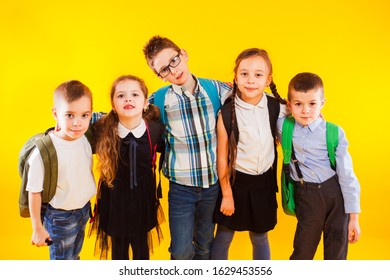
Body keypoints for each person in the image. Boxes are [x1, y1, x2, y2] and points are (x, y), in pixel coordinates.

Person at [143, 35, 232, 260]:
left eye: (174, 61)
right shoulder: (159, 100)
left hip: (212, 186)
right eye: (164, 70)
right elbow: (126, 113)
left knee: (205, 246)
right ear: (160, 76)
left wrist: (292, 111)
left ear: (183, 54)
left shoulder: (216, 90)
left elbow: (254, 101)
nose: (173, 70)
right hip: (181, 188)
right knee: (182, 251)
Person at [211, 48, 286, 260]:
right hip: (235, 182)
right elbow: (222, 156)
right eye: (244, 74)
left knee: (260, 236)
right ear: (235, 77)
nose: (251, 80)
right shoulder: (226, 113)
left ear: (268, 79)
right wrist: (226, 194)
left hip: (264, 183)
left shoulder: (276, 107)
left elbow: (304, 114)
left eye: (258, 74)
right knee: (224, 234)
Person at [277, 72, 361, 260]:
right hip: (306, 196)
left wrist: (354, 218)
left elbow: (347, 176)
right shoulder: (283, 126)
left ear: (322, 103)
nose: (305, 110)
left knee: (336, 251)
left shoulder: (333, 132)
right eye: (298, 104)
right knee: (303, 250)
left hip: (335, 194)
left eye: (312, 104)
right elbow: (265, 104)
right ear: (289, 105)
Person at [90, 75, 164, 260]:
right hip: (114, 199)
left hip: (143, 198)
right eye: (121, 95)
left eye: (135, 94)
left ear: (145, 103)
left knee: (141, 249)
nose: (128, 99)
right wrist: (52, 131)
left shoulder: (154, 129)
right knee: (119, 250)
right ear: (113, 105)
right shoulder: (101, 129)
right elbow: (74, 132)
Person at [27, 80, 97, 260]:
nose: (77, 123)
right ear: (55, 114)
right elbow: (34, 192)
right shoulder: (44, 152)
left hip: (84, 210)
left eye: (84, 115)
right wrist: (37, 228)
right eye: (69, 115)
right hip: (60, 217)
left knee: (74, 256)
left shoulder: (85, 138)